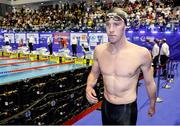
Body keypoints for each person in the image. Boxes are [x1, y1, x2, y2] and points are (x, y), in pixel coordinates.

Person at [85, 7, 156, 125]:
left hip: (126, 109)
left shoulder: (141, 53)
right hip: (106, 106)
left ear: (125, 26)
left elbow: (149, 83)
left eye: (116, 24)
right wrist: (89, 86)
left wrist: (152, 104)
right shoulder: (99, 50)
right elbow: (93, 73)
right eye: (108, 25)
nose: (111, 30)